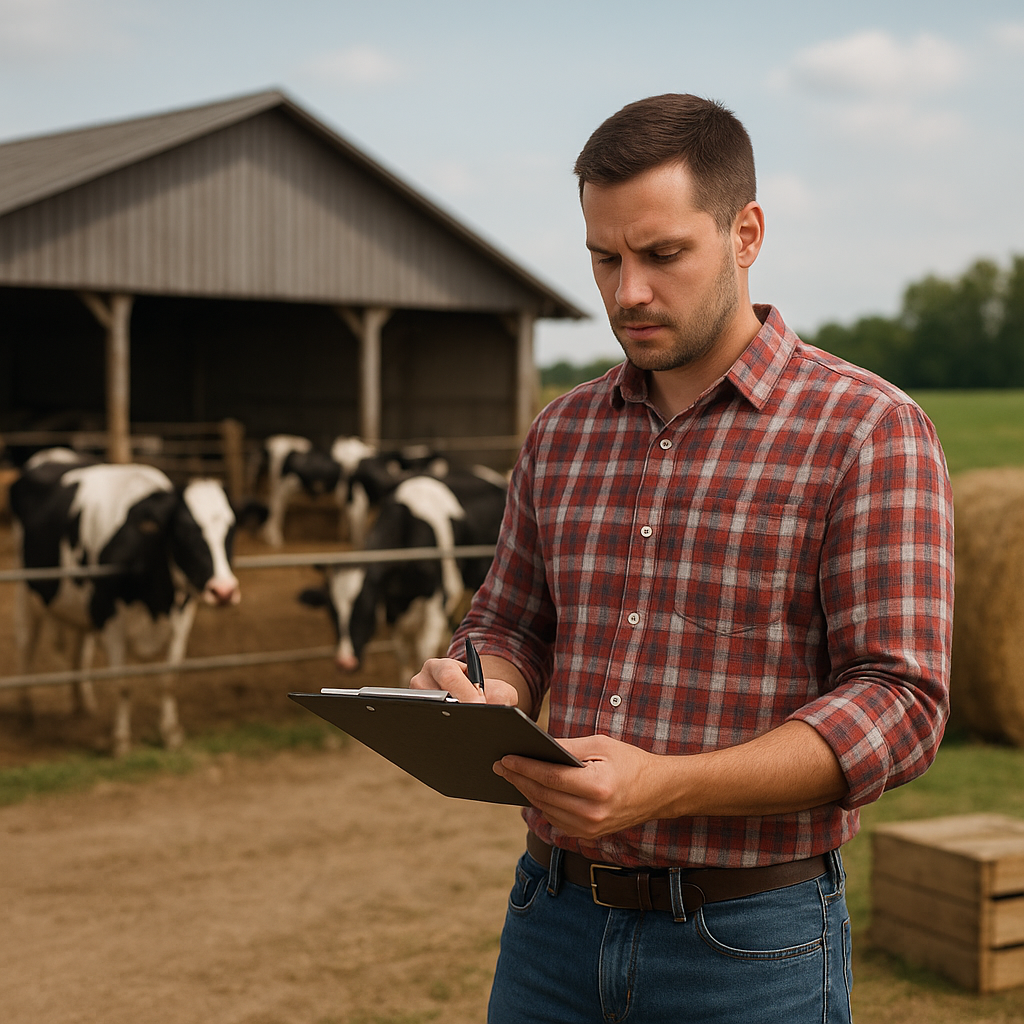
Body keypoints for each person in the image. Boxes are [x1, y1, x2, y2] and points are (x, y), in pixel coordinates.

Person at [411, 93, 953, 1024]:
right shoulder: (562, 430)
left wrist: (668, 786)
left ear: (746, 233)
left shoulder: (869, 430)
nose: (627, 291)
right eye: (603, 256)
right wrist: (481, 683)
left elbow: (900, 704)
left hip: (751, 947)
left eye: (662, 255)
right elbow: (509, 622)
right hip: (549, 922)